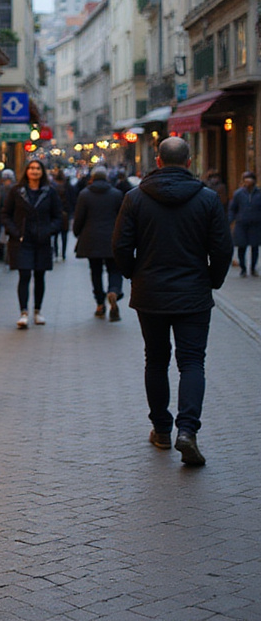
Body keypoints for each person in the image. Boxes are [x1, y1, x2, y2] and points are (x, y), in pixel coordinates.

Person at [112, 136, 232, 466]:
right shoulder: (207, 199)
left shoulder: (135, 198)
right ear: (189, 162)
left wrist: (134, 274)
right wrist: (212, 280)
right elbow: (222, 247)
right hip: (193, 293)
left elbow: (120, 245)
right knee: (192, 362)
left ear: (158, 161)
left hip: (150, 292)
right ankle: (188, 430)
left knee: (156, 359)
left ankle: (162, 430)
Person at [2, 158, 63, 329]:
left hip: (42, 241)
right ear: (26, 171)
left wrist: (48, 231)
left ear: (42, 172)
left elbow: (58, 217)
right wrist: (15, 232)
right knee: (24, 275)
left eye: (38, 168)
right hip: (22, 241)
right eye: (31, 168)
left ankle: (37, 311)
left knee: (39, 276)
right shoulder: (17, 191)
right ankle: (23, 312)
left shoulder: (49, 192)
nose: (34, 171)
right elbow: (6, 214)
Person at [72, 165, 125, 320]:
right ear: (107, 178)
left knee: (95, 271)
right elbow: (123, 218)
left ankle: (100, 303)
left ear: (92, 178)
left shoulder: (84, 194)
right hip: (112, 238)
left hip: (91, 239)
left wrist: (77, 233)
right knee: (114, 269)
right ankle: (114, 290)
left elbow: (79, 217)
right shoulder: (116, 194)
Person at [228, 170, 261, 276]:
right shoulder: (238, 194)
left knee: (255, 247)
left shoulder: (259, 193)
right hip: (241, 223)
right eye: (245, 179)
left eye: (249, 179)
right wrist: (230, 220)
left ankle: (253, 268)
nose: (247, 182)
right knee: (241, 246)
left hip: (255, 223)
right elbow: (233, 208)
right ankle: (243, 268)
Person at [50, 167, 74, 261]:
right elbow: (72, 199)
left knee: (55, 235)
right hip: (65, 214)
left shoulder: (53, 187)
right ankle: (63, 253)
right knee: (64, 235)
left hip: (55, 213)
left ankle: (56, 253)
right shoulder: (67, 186)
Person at [0, 169, 16, 262]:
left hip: (8, 217)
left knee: (5, 237)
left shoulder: (5, 190)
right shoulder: (4, 190)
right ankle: (5, 255)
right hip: (6, 217)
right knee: (4, 237)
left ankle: (7, 256)